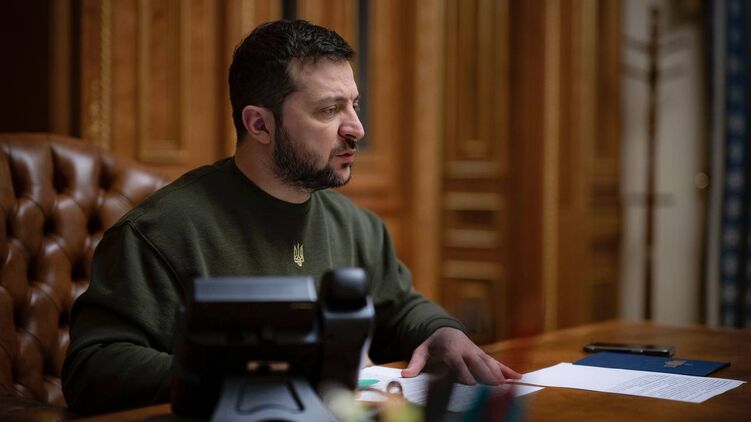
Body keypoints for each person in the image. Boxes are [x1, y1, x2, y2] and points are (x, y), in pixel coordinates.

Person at [62, 19, 521, 415]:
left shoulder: (357, 226)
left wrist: (440, 330)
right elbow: (93, 367)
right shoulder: (159, 232)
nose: (356, 128)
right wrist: (257, 371)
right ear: (259, 124)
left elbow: (398, 305)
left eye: (354, 105)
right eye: (330, 110)